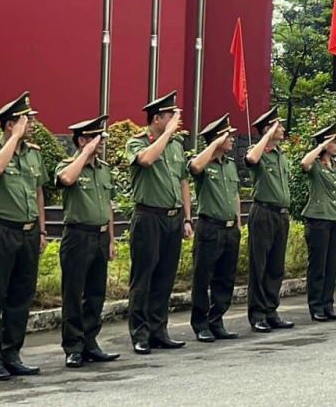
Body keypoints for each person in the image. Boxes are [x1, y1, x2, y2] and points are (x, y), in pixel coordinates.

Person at [0, 92, 49, 381]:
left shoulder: (34, 153)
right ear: (9, 124)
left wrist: (42, 229)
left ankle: (11, 353)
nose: (31, 123)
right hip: (0, 231)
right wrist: (13, 140)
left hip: (28, 233)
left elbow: (39, 191)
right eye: (25, 120)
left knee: (21, 296)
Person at [125, 92, 191, 355]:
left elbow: (183, 181)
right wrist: (167, 135)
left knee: (165, 277)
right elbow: (146, 160)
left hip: (172, 219)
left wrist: (187, 217)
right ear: (156, 119)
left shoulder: (176, 145)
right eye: (170, 116)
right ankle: (140, 334)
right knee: (143, 278)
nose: (176, 119)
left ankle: (158, 330)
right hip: (148, 217)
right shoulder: (138, 142)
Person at [56, 114, 117, 369]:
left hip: (100, 235)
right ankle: (73, 346)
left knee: (95, 294)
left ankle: (90, 342)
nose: (100, 142)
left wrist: (111, 240)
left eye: (100, 137)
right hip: (77, 236)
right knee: (74, 293)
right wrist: (85, 153)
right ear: (82, 140)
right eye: (94, 137)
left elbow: (108, 205)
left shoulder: (103, 170)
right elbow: (67, 180)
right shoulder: (66, 164)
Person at [188, 115, 246, 340]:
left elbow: (235, 195)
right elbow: (194, 168)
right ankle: (201, 324)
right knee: (203, 277)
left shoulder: (230, 165)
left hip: (229, 229)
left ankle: (217, 320)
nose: (232, 139)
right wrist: (212, 145)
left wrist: (238, 223)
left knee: (225, 277)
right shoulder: (203, 162)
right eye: (228, 136)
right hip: (209, 227)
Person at [245, 107, 295, 326]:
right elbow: (251, 158)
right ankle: (257, 314)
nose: (282, 129)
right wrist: (266, 135)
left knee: (276, 266)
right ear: (268, 128)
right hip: (263, 212)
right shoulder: (258, 152)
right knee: (260, 265)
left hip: (281, 214)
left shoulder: (280, 155)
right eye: (278, 125)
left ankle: (271, 310)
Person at [300, 123, 336, 322]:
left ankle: (328, 304)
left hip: (333, 219)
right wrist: (320, 146)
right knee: (317, 265)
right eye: (334, 141)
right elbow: (304, 163)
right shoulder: (315, 165)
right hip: (317, 219)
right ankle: (316, 306)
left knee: (330, 265)